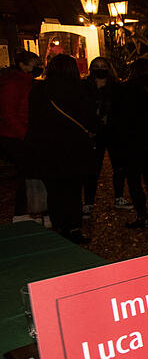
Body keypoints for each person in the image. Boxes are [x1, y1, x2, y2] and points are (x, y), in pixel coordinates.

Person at [26, 54, 98, 244]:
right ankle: (74, 228)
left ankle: (60, 228)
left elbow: (33, 121)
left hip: (47, 149)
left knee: (55, 192)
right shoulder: (79, 90)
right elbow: (90, 119)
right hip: (74, 149)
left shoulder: (39, 91)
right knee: (73, 192)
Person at [113, 59, 148, 228]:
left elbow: (120, 120)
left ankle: (142, 216)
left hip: (132, 145)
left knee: (134, 181)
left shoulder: (127, 90)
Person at [81, 56, 131, 215]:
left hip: (114, 132)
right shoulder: (85, 87)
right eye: (96, 66)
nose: (100, 69)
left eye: (103, 66)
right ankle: (88, 202)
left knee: (119, 166)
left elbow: (123, 110)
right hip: (93, 133)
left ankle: (119, 197)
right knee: (92, 168)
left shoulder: (117, 88)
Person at [0, 49, 40, 222]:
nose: (37, 67)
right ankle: (20, 212)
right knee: (26, 171)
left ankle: (24, 211)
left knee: (27, 172)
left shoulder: (24, 81)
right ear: (23, 65)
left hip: (18, 132)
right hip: (13, 135)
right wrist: (23, 133)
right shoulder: (13, 84)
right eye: (34, 64)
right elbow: (8, 113)